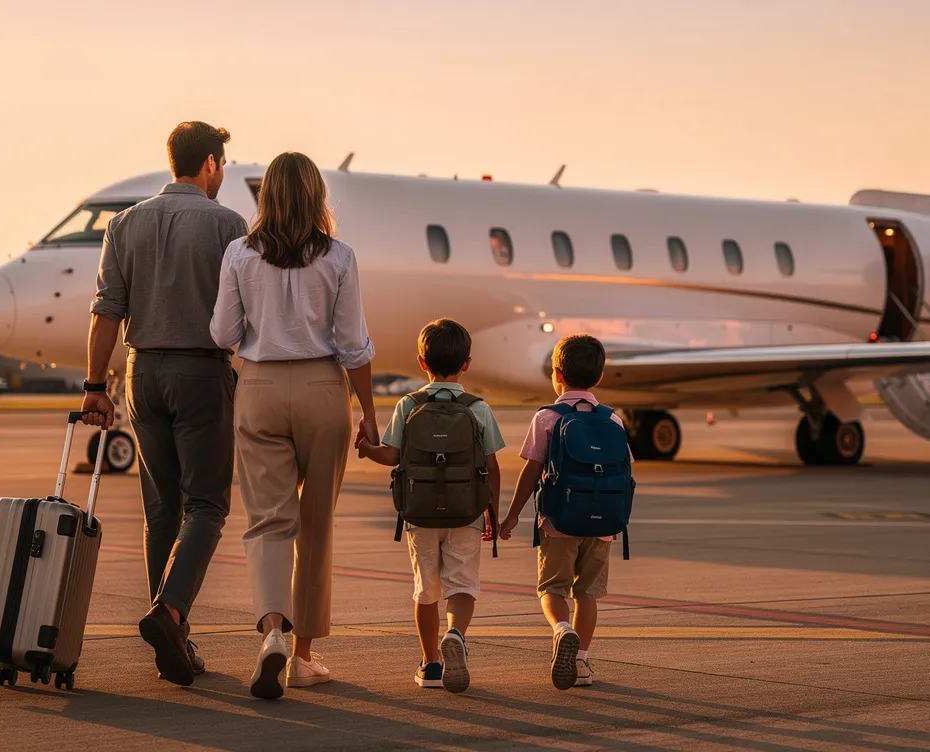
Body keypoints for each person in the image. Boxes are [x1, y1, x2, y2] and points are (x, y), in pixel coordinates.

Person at [83, 121, 246, 687]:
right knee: (208, 506)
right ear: (208, 164)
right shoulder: (228, 225)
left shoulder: (124, 223)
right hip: (200, 371)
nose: (222, 174)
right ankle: (169, 610)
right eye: (221, 165)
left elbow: (106, 311)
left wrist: (94, 387)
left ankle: (173, 640)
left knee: (162, 510)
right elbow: (242, 310)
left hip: (141, 372)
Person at [210, 152, 377, 700]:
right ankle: (303, 656)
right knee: (316, 525)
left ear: (266, 196)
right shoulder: (340, 257)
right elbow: (353, 345)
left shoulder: (239, 253)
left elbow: (221, 332)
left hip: (257, 386)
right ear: (316, 195)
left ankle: (273, 634)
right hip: (322, 389)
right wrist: (370, 413)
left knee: (267, 522)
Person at [356, 319, 504, 693]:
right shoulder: (478, 408)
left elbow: (391, 456)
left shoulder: (409, 404)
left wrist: (366, 449)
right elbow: (491, 465)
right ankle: (455, 634)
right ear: (466, 364)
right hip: (466, 512)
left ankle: (432, 665)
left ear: (421, 361)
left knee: (426, 590)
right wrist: (491, 510)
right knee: (463, 586)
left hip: (420, 514)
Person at [500, 334, 624, 690]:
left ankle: (561, 629)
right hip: (603, 525)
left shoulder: (547, 418)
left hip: (558, 523)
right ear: (599, 377)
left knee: (552, 588)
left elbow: (531, 471)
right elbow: (624, 469)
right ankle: (581, 661)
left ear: (557, 373)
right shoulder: (613, 421)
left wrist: (511, 517)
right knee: (588, 594)